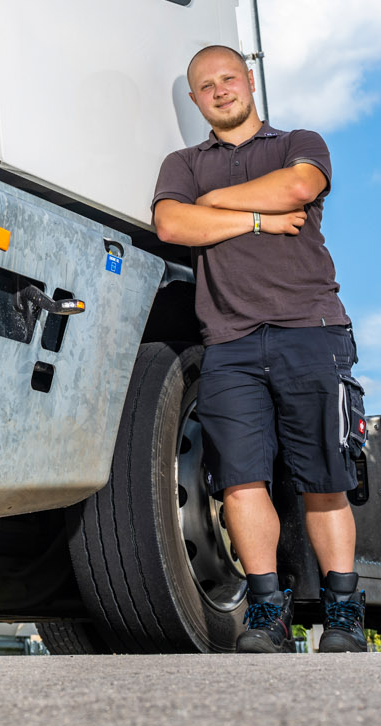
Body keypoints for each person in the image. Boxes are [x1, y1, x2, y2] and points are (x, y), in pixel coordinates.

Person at [150, 43, 367, 654]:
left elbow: (298, 186)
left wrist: (212, 203)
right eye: (206, 86)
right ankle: (269, 612)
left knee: (325, 480)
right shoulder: (183, 162)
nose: (220, 91)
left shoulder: (299, 142)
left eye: (228, 78)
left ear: (249, 79)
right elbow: (171, 224)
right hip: (229, 343)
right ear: (195, 99)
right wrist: (257, 219)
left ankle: (344, 614)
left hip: (311, 330)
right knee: (240, 482)